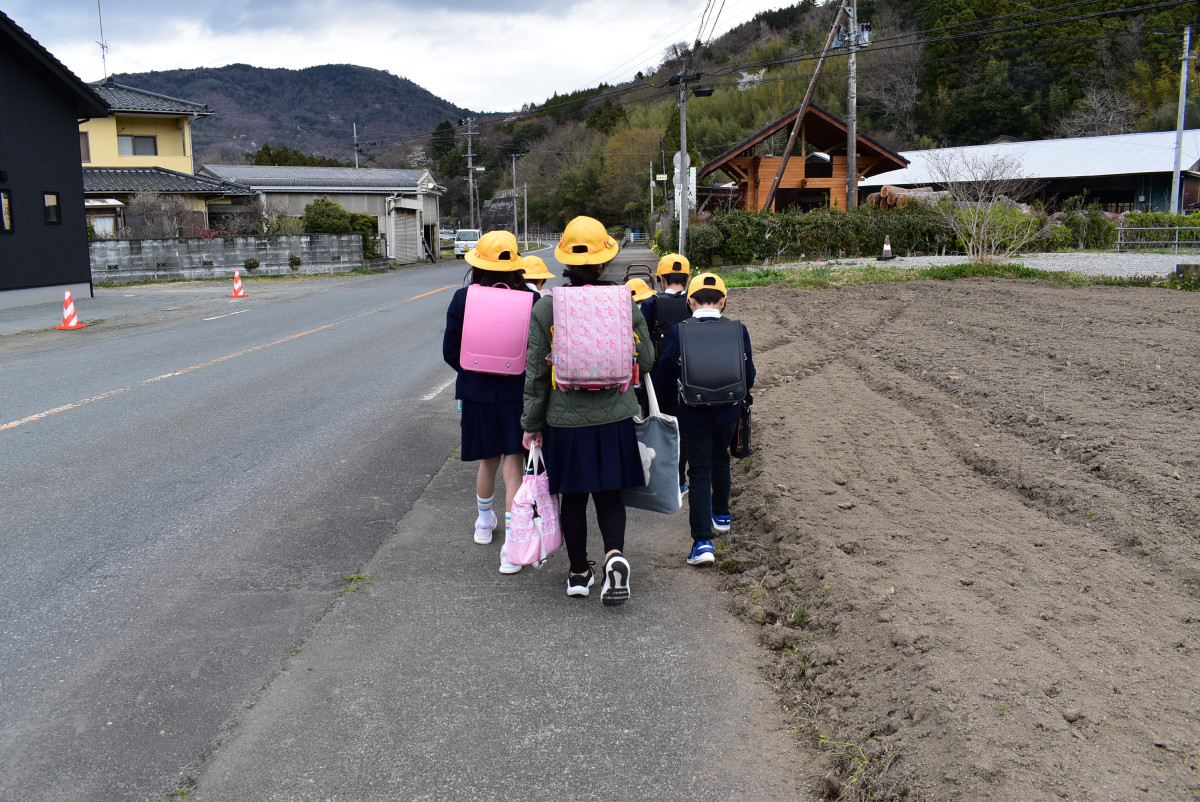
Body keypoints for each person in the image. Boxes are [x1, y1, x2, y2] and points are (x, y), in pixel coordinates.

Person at [521, 216, 655, 605]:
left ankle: (579, 573)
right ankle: (614, 556)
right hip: (615, 416)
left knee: (574, 496)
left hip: (564, 421)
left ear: (564, 259)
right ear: (604, 260)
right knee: (610, 493)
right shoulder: (623, 301)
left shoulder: (548, 307)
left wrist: (531, 424)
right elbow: (646, 359)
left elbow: (535, 375)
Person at [442, 230, 534, 575]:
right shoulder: (530, 298)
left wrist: (475, 371)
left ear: (478, 263)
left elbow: (450, 351)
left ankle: (483, 523)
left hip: (476, 393)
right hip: (517, 394)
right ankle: (511, 549)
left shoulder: (462, 298)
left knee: (487, 461)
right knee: (514, 467)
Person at [656, 272, 755, 567]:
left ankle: (702, 542)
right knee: (721, 459)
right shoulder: (738, 330)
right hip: (729, 410)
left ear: (690, 302)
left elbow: (665, 373)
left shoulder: (680, 331)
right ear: (723, 301)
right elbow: (749, 374)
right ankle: (721, 515)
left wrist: (668, 407)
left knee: (699, 471)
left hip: (693, 411)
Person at [642, 253, 692, 494]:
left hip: (659, 376)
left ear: (661, 279)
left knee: (660, 426)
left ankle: (663, 479)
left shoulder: (652, 303)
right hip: (691, 375)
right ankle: (681, 480)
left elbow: (641, 338)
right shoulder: (693, 302)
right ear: (687, 279)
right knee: (685, 427)